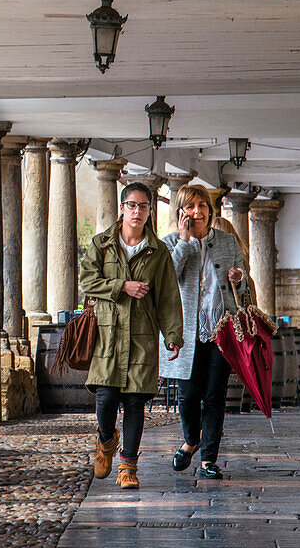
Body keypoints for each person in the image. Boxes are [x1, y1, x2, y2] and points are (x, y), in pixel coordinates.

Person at [79, 182, 184, 490]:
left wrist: (173, 335)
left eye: (144, 206)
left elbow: (167, 297)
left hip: (142, 336)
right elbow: (87, 281)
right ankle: (106, 440)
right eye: (132, 205)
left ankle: (128, 467)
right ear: (122, 208)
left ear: (150, 212)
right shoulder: (101, 244)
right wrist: (122, 286)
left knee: (136, 401)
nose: (137, 211)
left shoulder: (158, 251)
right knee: (106, 397)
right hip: (107, 336)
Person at [160, 184, 248, 480]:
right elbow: (166, 281)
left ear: (210, 211)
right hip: (185, 332)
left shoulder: (227, 242)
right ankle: (191, 440)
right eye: (190, 206)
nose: (197, 211)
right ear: (180, 212)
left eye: (202, 206)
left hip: (220, 330)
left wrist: (239, 278)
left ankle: (208, 459)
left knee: (214, 397)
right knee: (186, 395)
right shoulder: (170, 242)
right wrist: (185, 242)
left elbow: (243, 285)